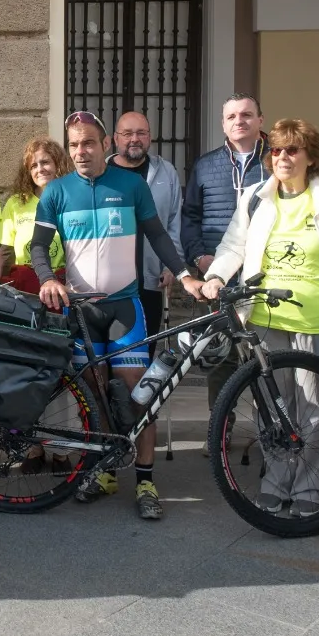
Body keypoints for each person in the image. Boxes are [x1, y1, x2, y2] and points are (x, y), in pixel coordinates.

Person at [32, 112, 202, 520]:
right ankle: (105, 469)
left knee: (138, 396)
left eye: (88, 143)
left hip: (125, 307)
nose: (80, 151)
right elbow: (37, 246)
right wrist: (46, 279)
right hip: (81, 311)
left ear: (105, 144)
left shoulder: (130, 184)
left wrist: (184, 275)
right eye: (73, 144)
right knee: (93, 395)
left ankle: (145, 479)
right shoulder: (56, 191)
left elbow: (158, 235)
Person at [197, 119, 319, 515]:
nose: (283, 158)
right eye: (276, 150)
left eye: (293, 150)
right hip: (265, 319)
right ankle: (277, 480)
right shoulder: (257, 198)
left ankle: (312, 488)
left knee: (314, 407)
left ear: (310, 156)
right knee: (271, 406)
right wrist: (217, 275)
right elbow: (233, 244)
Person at [109, 113, 184, 341]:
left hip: (151, 280)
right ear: (115, 138)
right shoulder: (102, 173)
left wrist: (172, 266)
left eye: (141, 133)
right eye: (127, 133)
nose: (135, 139)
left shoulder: (167, 172)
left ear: (150, 137)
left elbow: (174, 222)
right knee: (110, 352)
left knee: (146, 348)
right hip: (109, 284)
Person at [183, 94, 269, 276]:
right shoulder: (204, 165)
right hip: (217, 271)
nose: (239, 121)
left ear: (260, 120)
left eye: (246, 115)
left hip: (267, 271)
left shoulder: (277, 162)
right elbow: (190, 216)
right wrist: (198, 257)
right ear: (223, 125)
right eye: (231, 117)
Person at [0, 137, 69, 294]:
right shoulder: (15, 203)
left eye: (45, 162)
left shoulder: (71, 200)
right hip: (25, 289)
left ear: (58, 165)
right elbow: (4, 252)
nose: (39, 169)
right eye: (33, 165)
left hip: (63, 286)